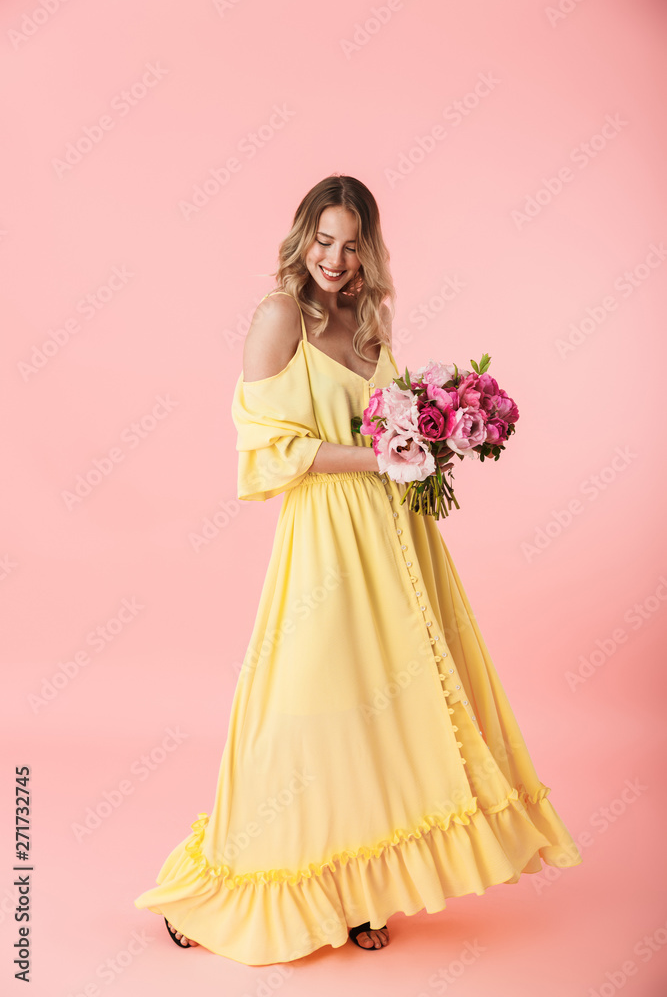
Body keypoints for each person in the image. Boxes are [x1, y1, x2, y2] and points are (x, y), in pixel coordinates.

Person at [134, 174, 582, 965]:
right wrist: (382, 453)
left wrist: (438, 435)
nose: (335, 259)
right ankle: (221, 895)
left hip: (396, 536)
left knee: (385, 714)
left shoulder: (369, 317)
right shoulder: (279, 317)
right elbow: (267, 451)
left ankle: (358, 894)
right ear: (302, 236)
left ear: (368, 248)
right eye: (323, 240)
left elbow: (390, 418)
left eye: (350, 243)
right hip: (325, 539)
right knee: (305, 712)